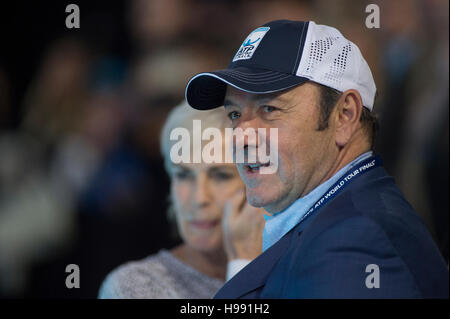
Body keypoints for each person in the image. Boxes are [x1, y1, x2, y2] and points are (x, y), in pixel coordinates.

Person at [185, 20, 449, 298]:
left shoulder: (355, 243)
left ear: (345, 115)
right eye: (235, 114)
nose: (241, 137)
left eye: (269, 108)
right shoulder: (340, 223)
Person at [98, 101, 265, 299]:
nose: (199, 198)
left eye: (220, 175)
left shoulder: (294, 268)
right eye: (184, 175)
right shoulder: (133, 286)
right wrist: (243, 267)